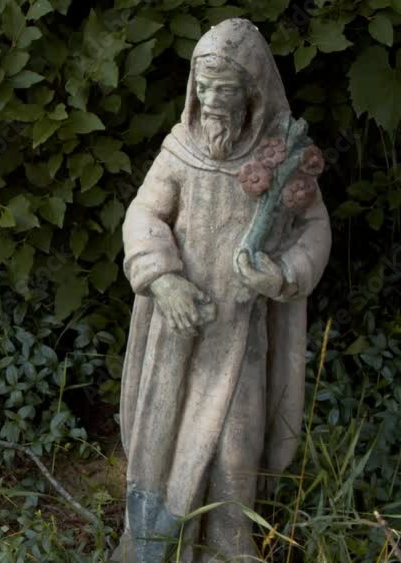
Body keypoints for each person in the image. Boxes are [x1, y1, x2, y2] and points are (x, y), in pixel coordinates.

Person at [114, 18, 332, 562]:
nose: (212, 101)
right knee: (161, 442)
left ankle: (229, 547)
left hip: (240, 336)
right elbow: (144, 214)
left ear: (252, 94)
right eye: (204, 87)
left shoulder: (282, 158)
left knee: (236, 447)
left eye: (226, 90)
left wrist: (281, 274)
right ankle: (155, 547)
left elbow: (314, 228)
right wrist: (163, 278)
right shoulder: (180, 151)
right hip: (179, 329)